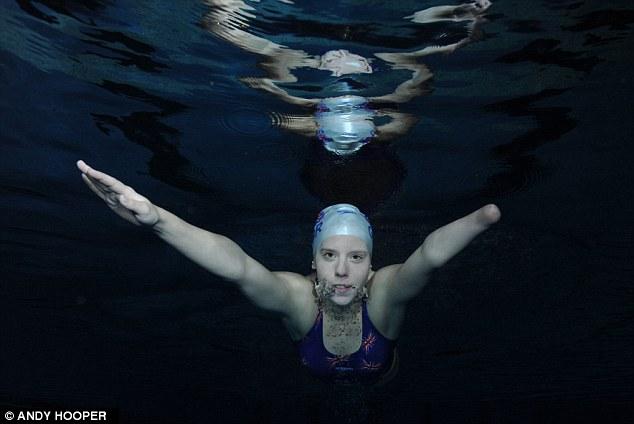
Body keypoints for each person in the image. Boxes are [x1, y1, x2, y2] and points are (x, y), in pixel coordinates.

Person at [76, 159, 501, 385]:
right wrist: (157, 220)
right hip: (311, 382)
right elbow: (237, 267)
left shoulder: (386, 294)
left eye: (356, 258)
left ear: (372, 267)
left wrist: (481, 219)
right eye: (329, 256)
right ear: (312, 263)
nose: (341, 271)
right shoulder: (297, 300)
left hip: (386, 382)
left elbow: (428, 257)